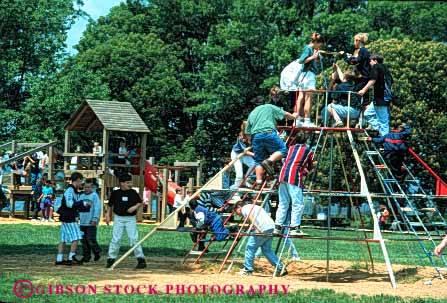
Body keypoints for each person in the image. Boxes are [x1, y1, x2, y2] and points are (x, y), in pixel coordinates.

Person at [245, 97, 298, 187]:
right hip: (268, 132)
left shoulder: (252, 113)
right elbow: (284, 114)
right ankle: (269, 161)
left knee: (258, 160)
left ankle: (258, 182)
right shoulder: (268, 107)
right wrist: (294, 116)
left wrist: (252, 142)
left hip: (255, 137)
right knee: (283, 150)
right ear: (263, 102)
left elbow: (247, 132)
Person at [234, 201, 287, 277]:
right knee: (266, 249)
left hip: (262, 228)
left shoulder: (244, 208)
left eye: (236, 212)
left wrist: (257, 229)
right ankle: (280, 268)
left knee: (250, 247)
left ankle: (247, 269)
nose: (237, 214)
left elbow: (251, 217)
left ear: (239, 207)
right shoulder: (254, 206)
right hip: (271, 226)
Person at [105, 173, 146, 269]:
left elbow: (140, 202)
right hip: (118, 218)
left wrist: (134, 207)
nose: (130, 184)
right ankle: (111, 259)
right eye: (128, 183)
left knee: (133, 239)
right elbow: (109, 205)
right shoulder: (115, 193)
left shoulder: (133, 193)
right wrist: (107, 215)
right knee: (116, 239)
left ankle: (141, 260)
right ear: (121, 183)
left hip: (130, 219)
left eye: (130, 182)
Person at [274, 140, 314, 236]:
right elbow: (311, 168)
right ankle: (294, 227)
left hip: (282, 176)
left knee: (283, 203)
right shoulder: (309, 151)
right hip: (294, 177)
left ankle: (277, 227)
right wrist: (306, 173)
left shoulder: (290, 149)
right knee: (297, 203)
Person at [55, 172, 89, 266]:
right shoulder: (70, 190)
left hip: (66, 216)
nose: (81, 183)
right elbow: (69, 204)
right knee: (77, 236)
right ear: (77, 180)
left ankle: (59, 259)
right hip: (68, 217)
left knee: (63, 238)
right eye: (81, 181)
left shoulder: (73, 190)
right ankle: (71, 258)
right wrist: (83, 203)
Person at [295, 32, 325, 127]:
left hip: (303, 75)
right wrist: (313, 57)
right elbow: (301, 60)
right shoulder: (308, 48)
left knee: (301, 97)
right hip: (308, 76)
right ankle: (307, 121)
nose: (320, 47)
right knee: (308, 98)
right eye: (320, 44)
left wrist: (316, 58)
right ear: (316, 42)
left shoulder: (310, 49)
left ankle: (297, 120)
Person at [358, 54, 392, 136]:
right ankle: (381, 130)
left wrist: (363, 90)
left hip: (381, 98)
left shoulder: (376, 67)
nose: (370, 63)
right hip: (383, 98)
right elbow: (391, 83)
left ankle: (386, 143)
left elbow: (373, 80)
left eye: (371, 61)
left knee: (383, 121)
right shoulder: (386, 69)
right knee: (367, 114)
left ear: (375, 61)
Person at [78, 179, 102, 263]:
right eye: (85, 187)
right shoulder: (81, 196)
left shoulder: (94, 196)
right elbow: (78, 207)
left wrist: (95, 219)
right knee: (83, 241)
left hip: (91, 222)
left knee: (90, 239)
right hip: (82, 222)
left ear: (92, 188)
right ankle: (86, 256)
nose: (87, 189)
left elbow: (97, 208)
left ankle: (97, 251)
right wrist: (77, 216)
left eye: (88, 187)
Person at [230, 120, 255, 189]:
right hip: (236, 154)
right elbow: (245, 152)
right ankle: (235, 193)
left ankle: (247, 179)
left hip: (244, 154)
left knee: (253, 164)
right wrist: (254, 155)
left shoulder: (252, 136)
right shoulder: (241, 138)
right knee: (239, 175)